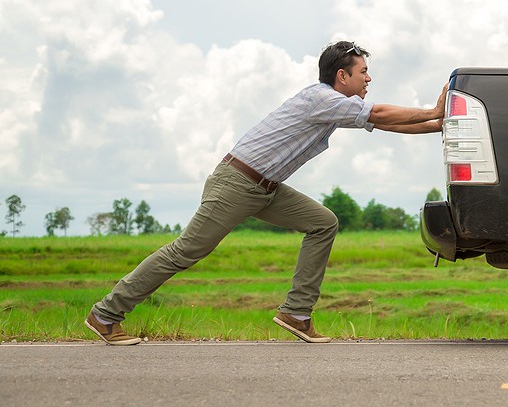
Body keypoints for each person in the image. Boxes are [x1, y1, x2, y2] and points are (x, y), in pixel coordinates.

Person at [85, 40, 446, 345]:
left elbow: (383, 122)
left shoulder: (335, 107)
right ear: (342, 76)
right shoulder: (321, 98)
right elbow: (381, 112)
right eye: (363, 72)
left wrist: (437, 125)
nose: (369, 78)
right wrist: (432, 110)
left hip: (266, 188)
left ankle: (296, 313)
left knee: (323, 223)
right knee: (186, 251)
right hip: (236, 184)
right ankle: (105, 314)